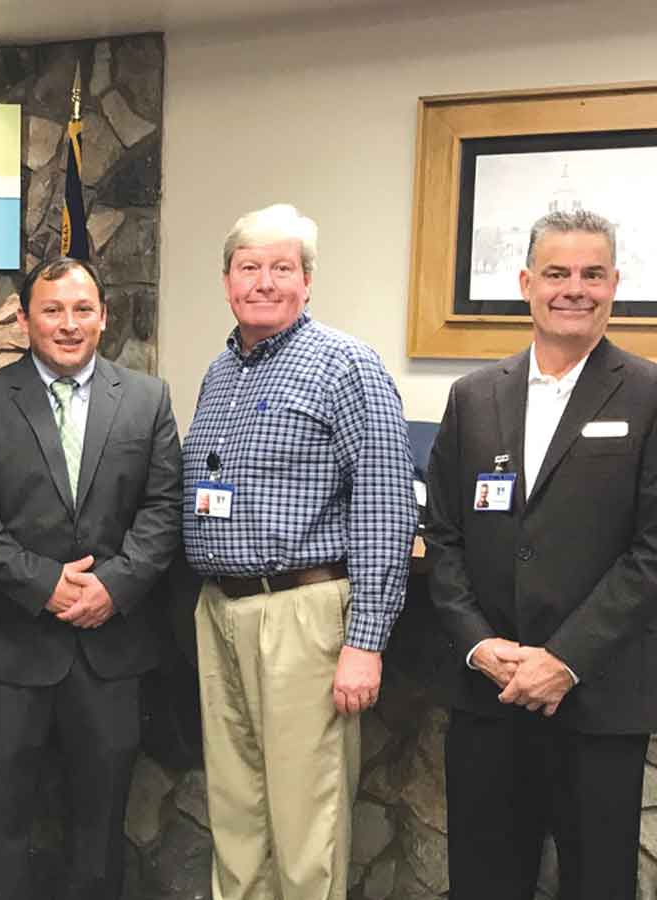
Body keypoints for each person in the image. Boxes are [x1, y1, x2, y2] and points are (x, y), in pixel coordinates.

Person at [182, 204, 417, 900]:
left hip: (303, 616)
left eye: (281, 268)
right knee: (236, 815)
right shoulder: (221, 373)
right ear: (227, 281)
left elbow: (385, 506)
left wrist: (365, 641)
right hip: (220, 611)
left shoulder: (346, 365)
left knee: (306, 824)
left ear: (307, 281)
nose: (264, 282)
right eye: (249, 267)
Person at [426, 209, 657, 900]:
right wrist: (478, 644)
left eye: (592, 274)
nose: (574, 289)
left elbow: (651, 550)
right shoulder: (473, 397)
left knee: (597, 884)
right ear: (527, 283)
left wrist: (564, 660)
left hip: (598, 698)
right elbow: (444, 537)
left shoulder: (648, 395)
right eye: (557, 273)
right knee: (483, 882)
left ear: (615, 284)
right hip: (489, 695)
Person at [0, 257, 182, 900]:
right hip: (7, 649)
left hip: (110, 651)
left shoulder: (148, 399)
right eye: (52, 310)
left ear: (104, 317)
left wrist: (115, 586)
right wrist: (45, 584)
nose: (68, 324)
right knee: (1, 829)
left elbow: (164, 508)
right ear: (24, 320)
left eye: (82, 309)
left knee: (100, 833)